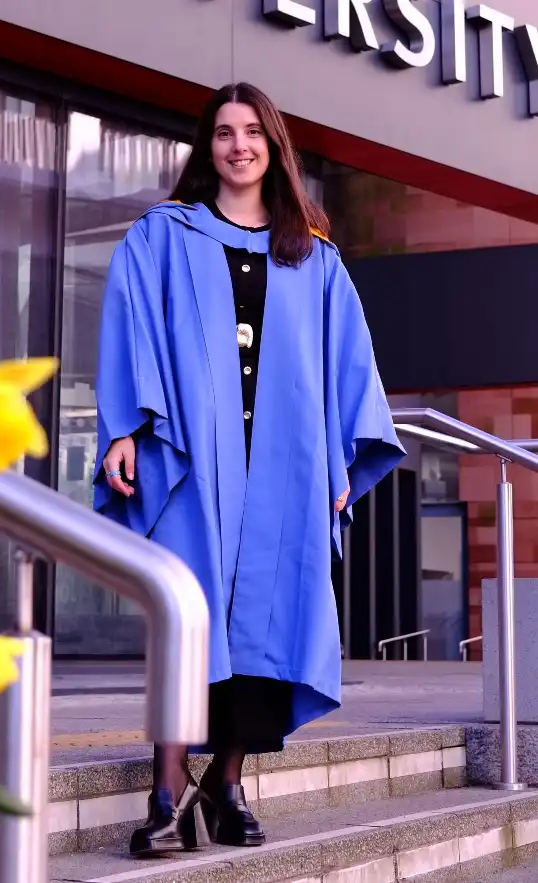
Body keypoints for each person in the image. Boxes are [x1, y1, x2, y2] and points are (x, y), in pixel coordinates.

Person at [94, 82, 405, 856]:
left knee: (268, 623)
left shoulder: (316, 255)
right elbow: (129, 327)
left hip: (286, 467)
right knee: (185, 618)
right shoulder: (162, 237)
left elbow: (348, 369)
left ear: (273, 146)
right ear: (208, 148)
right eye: (223, 133)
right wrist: (125, 428)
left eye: (252, 132)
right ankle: (166, 790)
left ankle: (226, 784)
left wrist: (341, 459)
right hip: (192, 460)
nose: (238, 145)